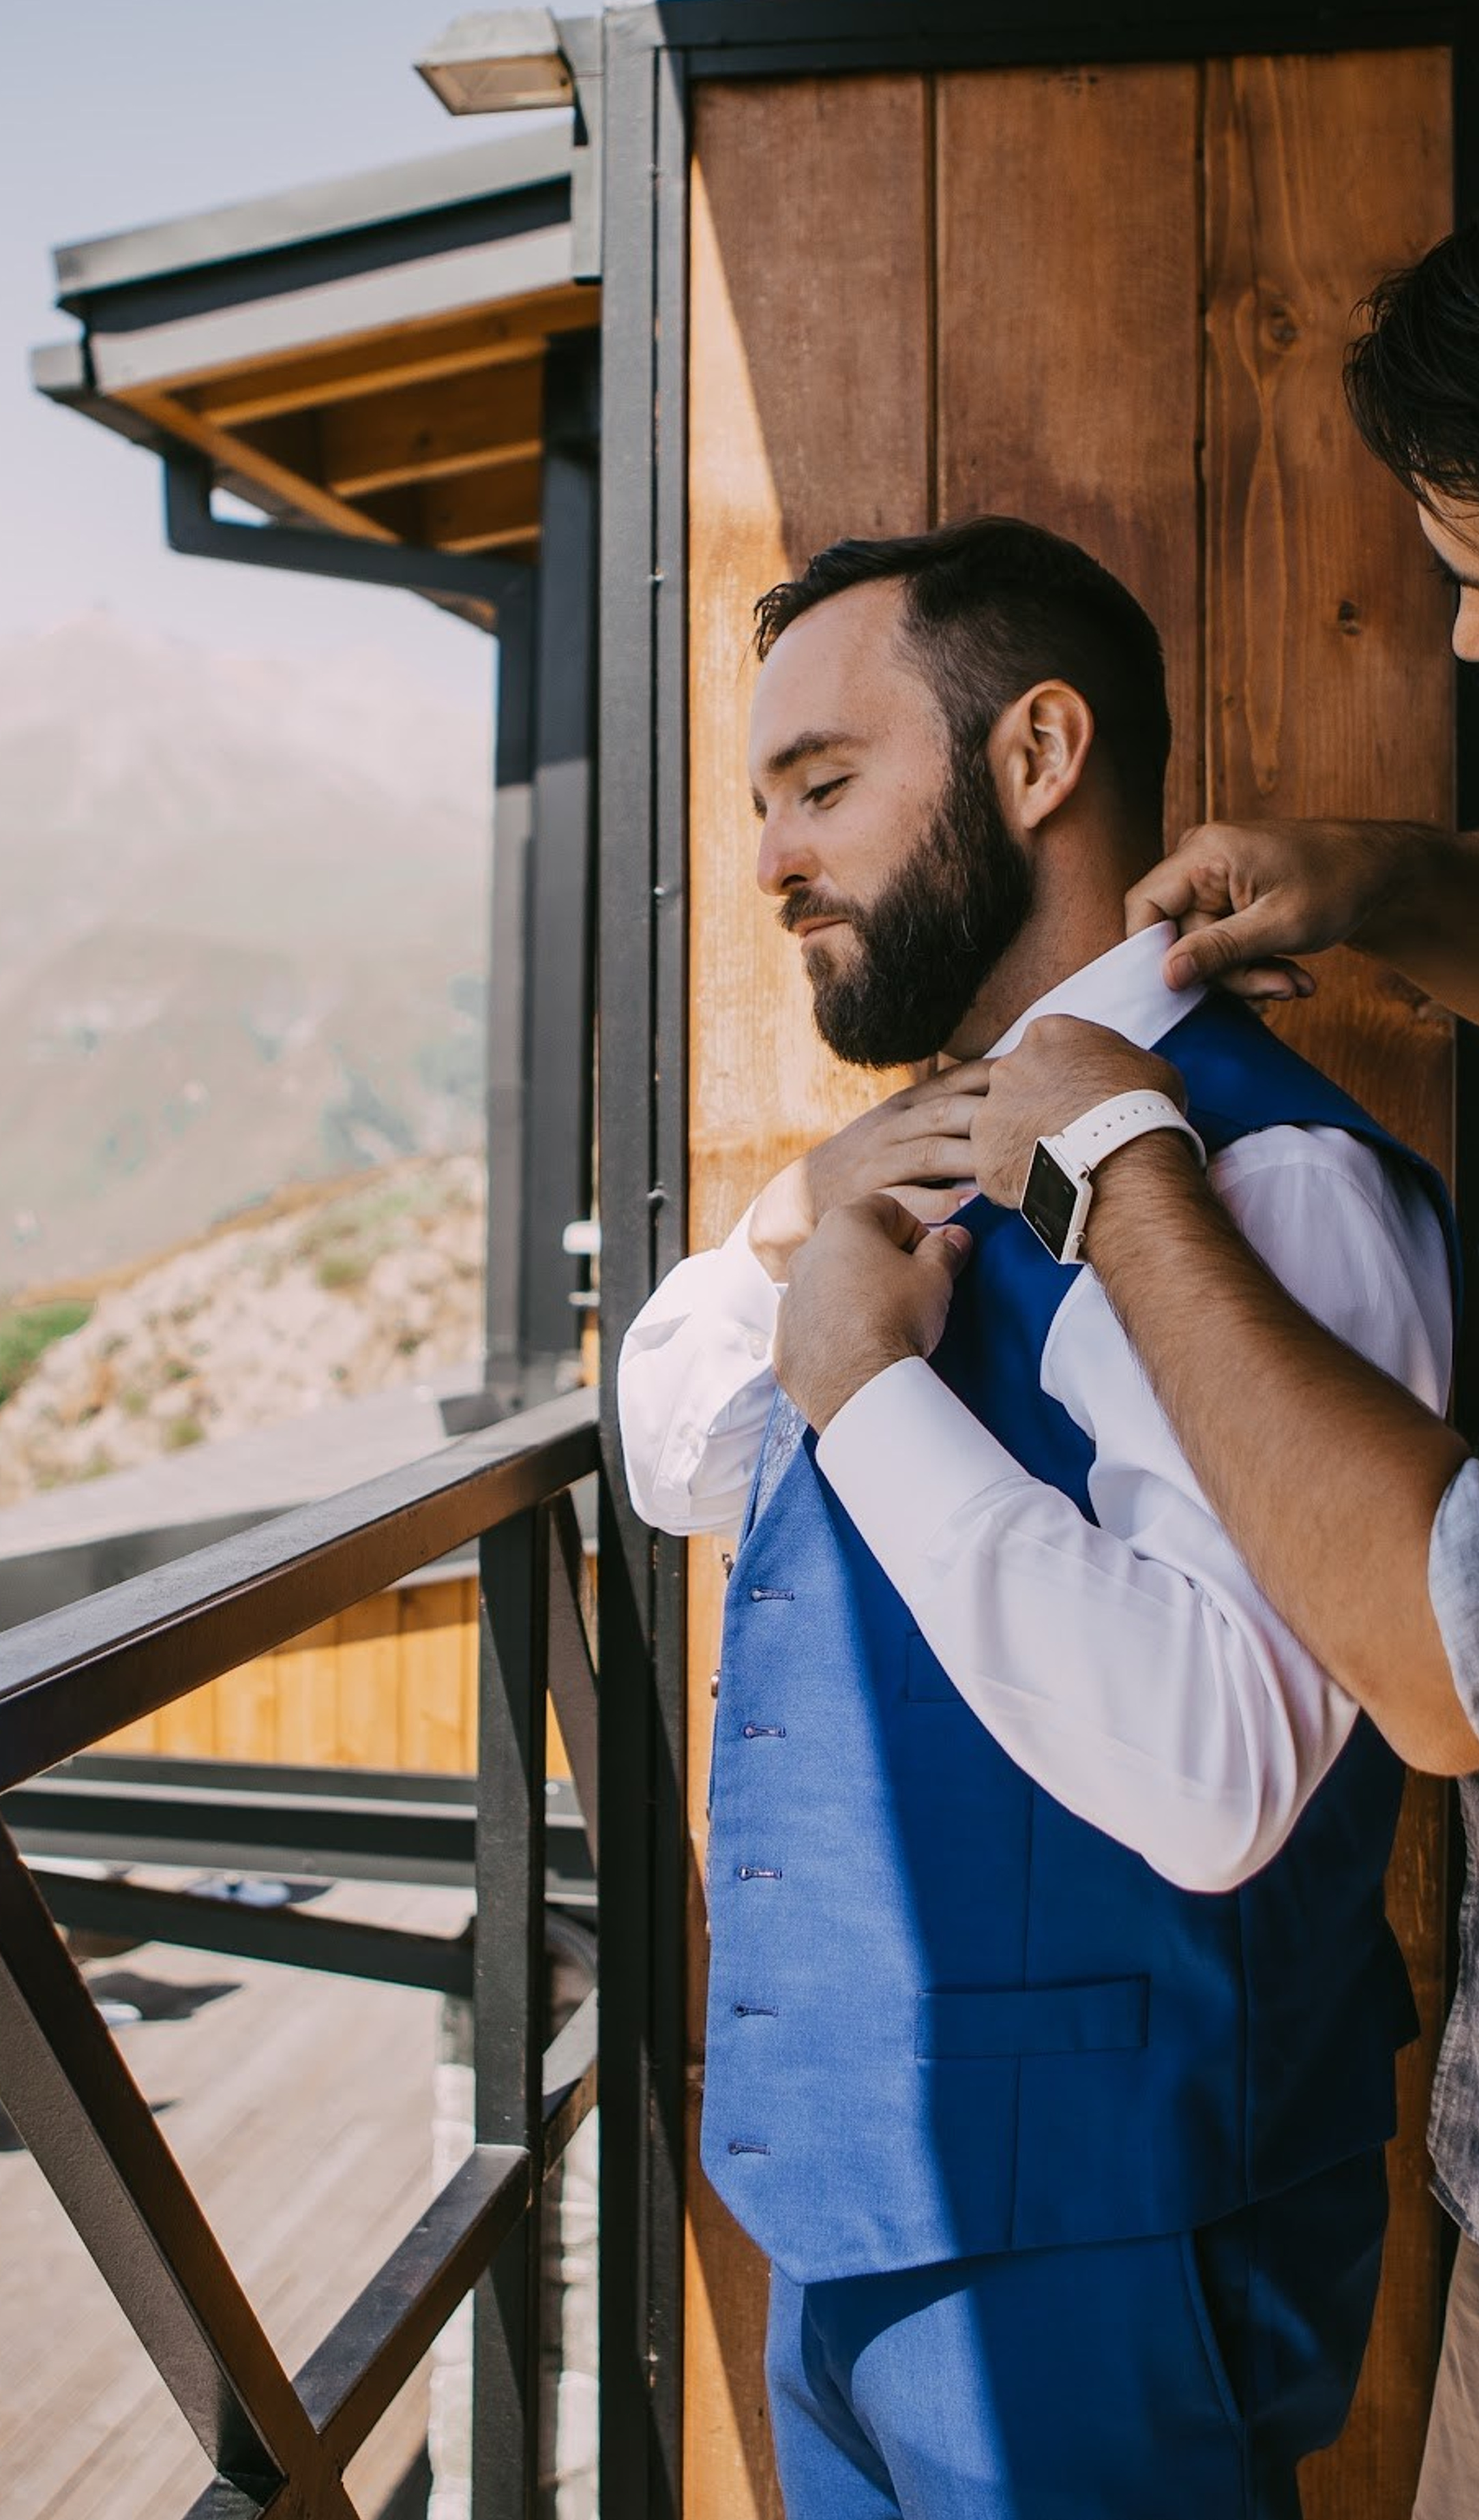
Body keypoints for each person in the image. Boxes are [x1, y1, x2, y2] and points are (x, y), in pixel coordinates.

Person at [617, 512, 1456, 2520]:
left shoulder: (1278, 1190)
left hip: (1115, 2230)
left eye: (819, 786)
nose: (767, 863)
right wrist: (790, 1224)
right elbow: (673, 1444)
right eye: (758, 804)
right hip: (841, 2200)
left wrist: (873, 1390)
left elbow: (1218, 1769)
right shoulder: (904, 1171)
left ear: (1037, 754)